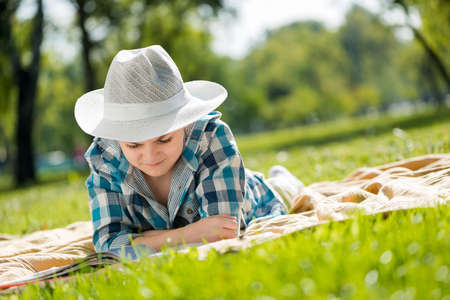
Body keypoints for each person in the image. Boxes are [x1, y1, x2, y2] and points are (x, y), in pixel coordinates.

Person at [74, 45, 303, 254]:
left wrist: (145, 239)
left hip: (256, 197)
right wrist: (187, 235)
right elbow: (108, 244)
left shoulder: (211, 137)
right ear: (118, 138)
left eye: (163, 140)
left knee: (285, 191)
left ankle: (284, 179)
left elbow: (223, 231)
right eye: (133, 145)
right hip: (202, 206)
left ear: (184, 123)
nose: (150, 156)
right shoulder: (105, 157)